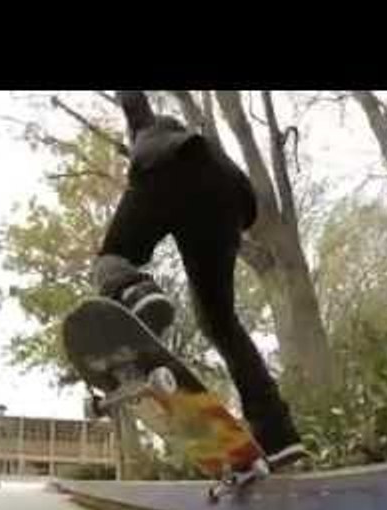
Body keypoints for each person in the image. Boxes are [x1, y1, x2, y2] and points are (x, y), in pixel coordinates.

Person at [91, 91, 309, 472]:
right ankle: (279, 436)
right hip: (230, 195)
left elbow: (133, 100)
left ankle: (134, 291)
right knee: (220, 322)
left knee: (112, 260)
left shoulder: (147, 131)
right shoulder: (198, 142)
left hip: (167, 170)